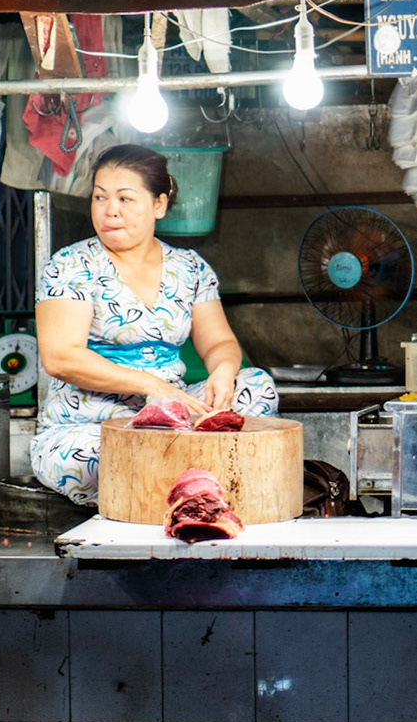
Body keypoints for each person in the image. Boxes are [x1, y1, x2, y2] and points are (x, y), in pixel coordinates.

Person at [31, 145, 279, 505]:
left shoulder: (190, 268)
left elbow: (219, 343)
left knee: (258, 387)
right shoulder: (70, 266)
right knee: (100, 456)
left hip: (175, 418)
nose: (109, 210)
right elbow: (61, 357)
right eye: (100, 197)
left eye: (125, 198)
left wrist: (223, 374)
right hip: (89, 424)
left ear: (159, 205)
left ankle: (182, 474)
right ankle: (198, 480)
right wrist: (151, 385)